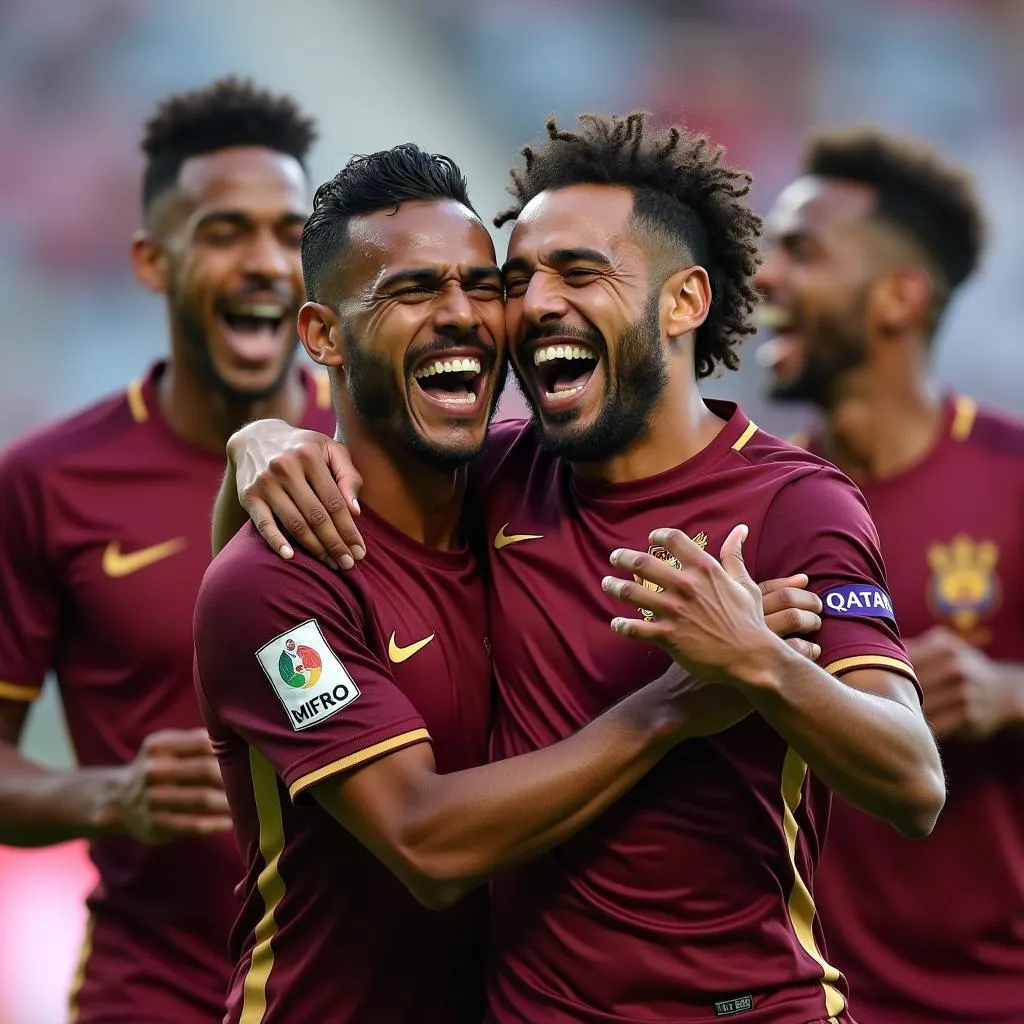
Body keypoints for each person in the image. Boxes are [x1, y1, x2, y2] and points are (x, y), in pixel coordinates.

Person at [217, 113, 945, 1024]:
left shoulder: (796, 506)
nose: (533, 305)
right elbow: (266, 586)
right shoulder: (502, 475)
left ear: (682, 302)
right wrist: (258, 443)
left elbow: (914, 782)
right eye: (518, 280)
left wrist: (761, 663)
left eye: (580, 272)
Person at [0, 78, 336, 1023]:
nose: (267, 262)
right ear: (153, 259)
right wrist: (111, 794)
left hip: (358, 993)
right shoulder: (49, 481)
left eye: (288, 232)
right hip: (148, 995)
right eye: (227, 232)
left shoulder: (384, 459)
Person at [755, 127, 1024, 1024]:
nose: (766, 277)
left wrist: (1007, 691)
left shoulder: (1012, 474)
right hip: (811, 1000)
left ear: (899, 297)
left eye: (802, 252)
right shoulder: (764, 500)